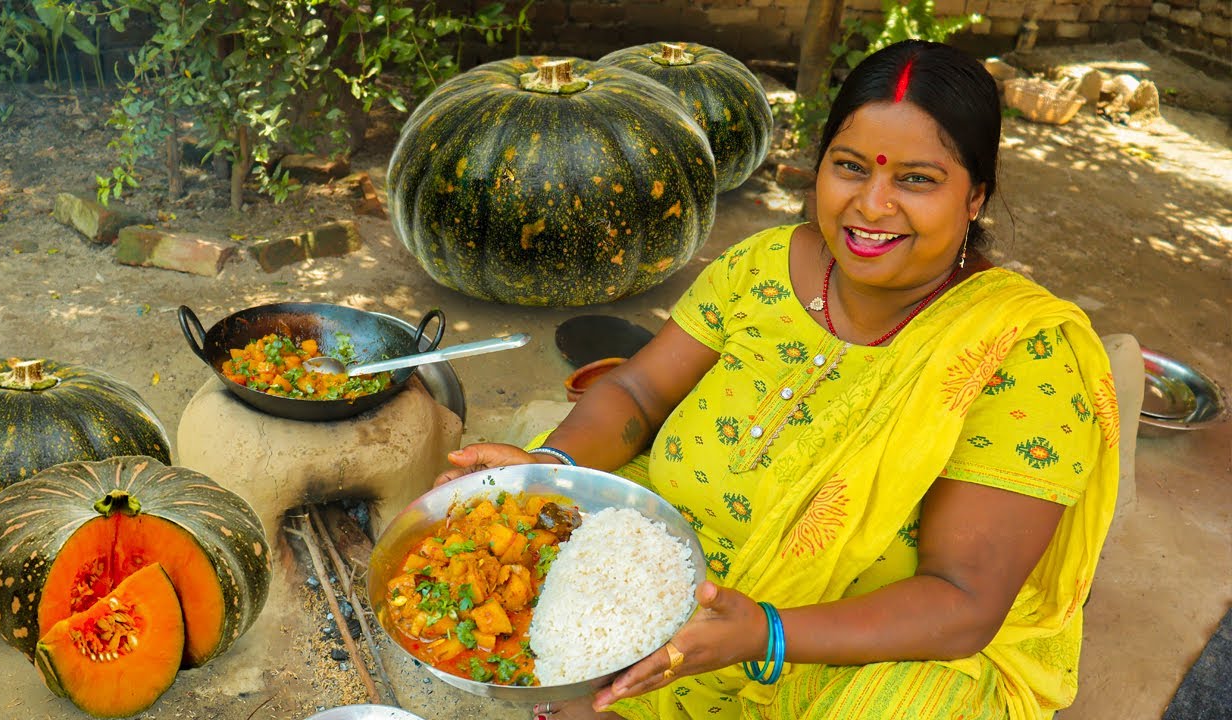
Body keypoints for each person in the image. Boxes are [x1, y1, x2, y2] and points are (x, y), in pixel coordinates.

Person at [436, 39, 1120, 720]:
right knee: (493, 548)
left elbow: (962, 601)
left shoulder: (1017, 355)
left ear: (974, 197)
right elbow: (638, 393)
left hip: (853, 648)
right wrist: (549, 465)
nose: (873, 205)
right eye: (850, 167)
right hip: (670, 569)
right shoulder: (763, 266)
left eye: (917, 179)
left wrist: (765, 634)